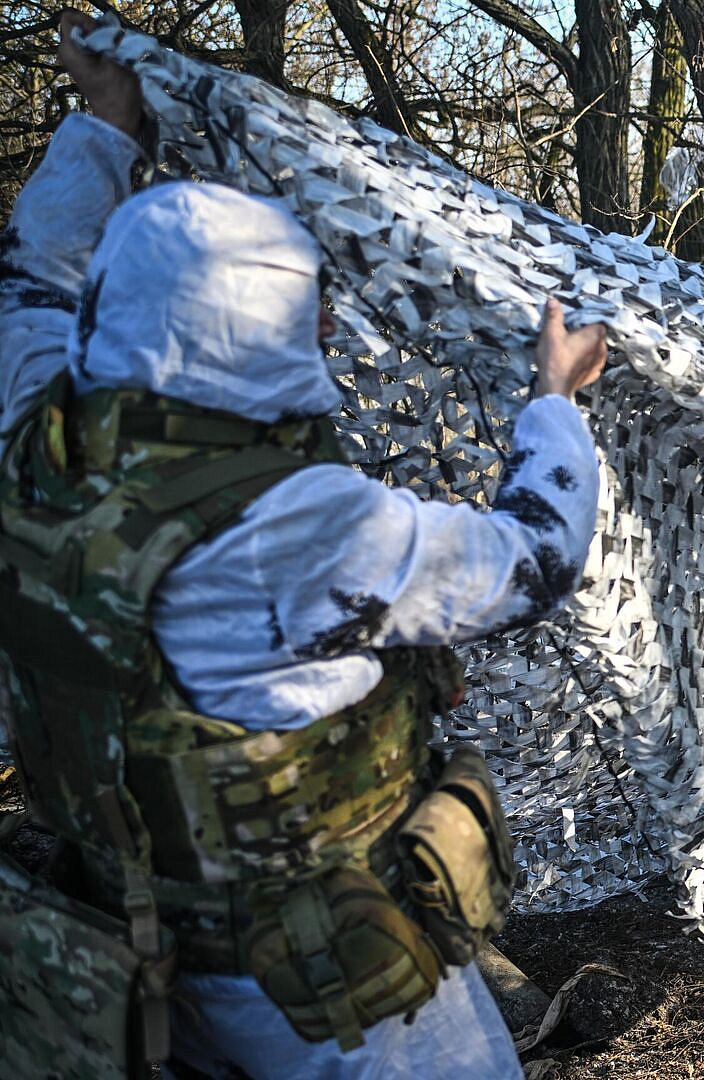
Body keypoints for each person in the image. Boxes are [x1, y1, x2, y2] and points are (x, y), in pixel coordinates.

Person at [0, 11, 607, 1077]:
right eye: (304, 311)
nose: (325, 331)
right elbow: (536, 558)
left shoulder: (35, 436)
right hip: (324, 983)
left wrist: (104, 125)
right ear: (260, 333)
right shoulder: (296, 525)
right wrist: (555, 400)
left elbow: (34, 278)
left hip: (117, 956)